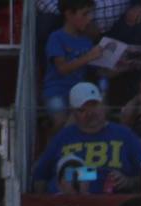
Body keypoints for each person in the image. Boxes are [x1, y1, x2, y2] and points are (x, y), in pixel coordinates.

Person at [32, 82, 141, 194]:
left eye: (94, 105)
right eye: (82, 110)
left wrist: (128, 182)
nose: (90, 113)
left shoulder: (124, 134)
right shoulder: (63, 137)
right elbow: (40, 176)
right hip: (68, 202)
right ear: (73, 112)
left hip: (114, 202)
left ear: (103, 105)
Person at [43, 0, 102, 128]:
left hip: (81, 93)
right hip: (57, 91)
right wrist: (89, 56)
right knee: (60, 121)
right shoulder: (56, 37)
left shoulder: (86, 41)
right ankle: (53, 146)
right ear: (69, 14)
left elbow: (97, 70)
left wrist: (121, 66)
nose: (89, 18)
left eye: (90, 14)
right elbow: (62, 68)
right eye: (85, 14)